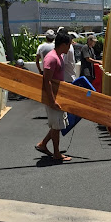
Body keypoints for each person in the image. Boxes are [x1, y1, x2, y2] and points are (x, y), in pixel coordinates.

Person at [35, 32, 72, 162]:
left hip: (59, 97)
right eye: (69, 45)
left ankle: (43, 144)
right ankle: (56, 153)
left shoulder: (59, 56)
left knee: (57, 125)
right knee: (56, 126)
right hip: (53, 98)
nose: (69, 48)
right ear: (63, 44)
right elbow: (47, 81)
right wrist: (52, 101)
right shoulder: (51, 58)